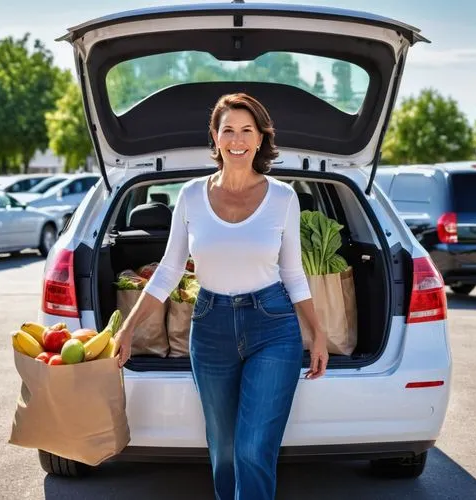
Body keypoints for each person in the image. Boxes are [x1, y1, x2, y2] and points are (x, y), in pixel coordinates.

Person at [114, 92, 329, 500]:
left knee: (252, 449)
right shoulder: (192, 195)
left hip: (273, 327)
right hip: (210, 326)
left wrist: (316, 332)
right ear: (214, 137)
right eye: (228, 129)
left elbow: (293, 273)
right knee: (226, 451)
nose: (237, 139)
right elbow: (169, 270)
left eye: (247, 130)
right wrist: (127, 329)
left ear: (262, 138)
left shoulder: (283, 198)